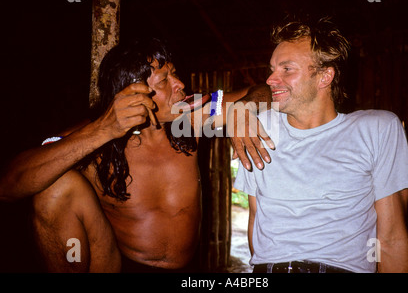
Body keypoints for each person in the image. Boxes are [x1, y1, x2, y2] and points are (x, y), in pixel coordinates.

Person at [0, 39, 273, 272]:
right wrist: (103, 130)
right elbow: (8, 186)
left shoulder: (189, 116)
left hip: (191, 270)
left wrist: (245, 111)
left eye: (174, 73)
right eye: (165, 79)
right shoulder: (93, 137)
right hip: (117, 264)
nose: (180, 84)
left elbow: (267, 91)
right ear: (132, 91)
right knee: (54, 189)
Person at [234, 16, 408, 273]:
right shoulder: (257, 129)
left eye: (287, 69)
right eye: (272, 69)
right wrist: (239, 108)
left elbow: (390, 238)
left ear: (324, 76)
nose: (271, 79)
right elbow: (256, 222)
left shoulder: (377, 128)